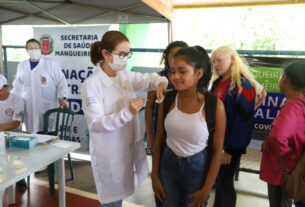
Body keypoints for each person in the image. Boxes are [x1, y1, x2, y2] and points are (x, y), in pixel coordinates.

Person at [81, 30, 168, 207]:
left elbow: (150, 79)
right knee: (111, 202)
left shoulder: (124, 75)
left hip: (125, 149)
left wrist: (161, 83)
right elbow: (96, 124)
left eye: (127, 54)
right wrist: (127, 112)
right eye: (121, 54)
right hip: (110, 153)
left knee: (118, 201)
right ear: (106, 54)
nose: (125, 58)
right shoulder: (92, 84)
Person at [152, 47, 226, 207]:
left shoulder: (214, 106)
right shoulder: (168, 100)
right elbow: (158, 140)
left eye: (182, 71)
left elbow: (217, 150)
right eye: (172, 71)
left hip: (197, 170)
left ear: (199, 73)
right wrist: (154, 176)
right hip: (167, 166)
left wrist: (206, 189)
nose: (175, 77)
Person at [210, 45, 256, 207]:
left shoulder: (244, 85)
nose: (216, 64)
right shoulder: (218, 83)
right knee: (220, 181)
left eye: (219, 60)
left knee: (226, 182)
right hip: (216, 141)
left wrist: (230, 149)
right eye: (213, 61)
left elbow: (243, 121)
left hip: (229, 145)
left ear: (233, 59)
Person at [260, 61, 305, 207]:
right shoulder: (302, 104)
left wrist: (287, 156)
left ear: (285, 78)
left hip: (281, 171)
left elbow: (277, 136)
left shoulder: (292, 106)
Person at [12, 38, 69, 133]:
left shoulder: (51, 64)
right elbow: (17, 87)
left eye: (36, 48)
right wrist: (13, 103)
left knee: (49, 134)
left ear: (40, 49)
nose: (33, 50)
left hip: (47, 106)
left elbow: (61, 82)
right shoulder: (22, 66)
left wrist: (63, 97)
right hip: (29, 107)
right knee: (32, 134)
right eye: (30, 48)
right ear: (26, 50)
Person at [145, 41, 188, 150]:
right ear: (166, 56)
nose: (174, 57)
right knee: (158, 163)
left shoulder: (188, 79)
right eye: (172, 54)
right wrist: (149, 135)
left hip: (182, 133)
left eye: (179, 54)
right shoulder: (157, 78)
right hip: (160, 131)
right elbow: (149, 108)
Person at [0, 74, 26, 190]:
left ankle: (20, 178)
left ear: (7, 87)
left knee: (13, 151)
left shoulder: (17, 100)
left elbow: (16, 123)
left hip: (14, 134)